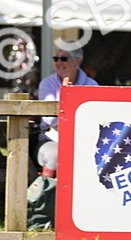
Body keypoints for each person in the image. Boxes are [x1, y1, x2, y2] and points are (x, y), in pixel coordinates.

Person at [37, 46, 99, 175]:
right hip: (52, 139)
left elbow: (93, 119)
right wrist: (65, 94)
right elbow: (50, 120)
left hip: (83, 139)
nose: (59, 63)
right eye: (56, 59)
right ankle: (46, 194)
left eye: (64, 59)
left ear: (78, 61)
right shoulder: (47, 84)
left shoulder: (92, 85)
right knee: (54, 155)